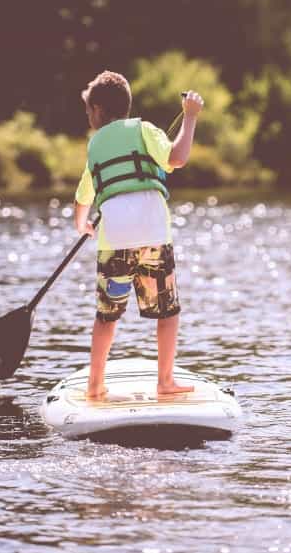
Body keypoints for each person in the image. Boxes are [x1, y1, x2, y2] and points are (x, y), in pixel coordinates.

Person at [73, 70, 203, 400]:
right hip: (154, 235)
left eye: (89, 110)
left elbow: (83, 197)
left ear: (99, 110)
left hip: (114, 239)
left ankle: (95, 385)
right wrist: (189, 119)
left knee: (107, 316)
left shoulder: (94, 145)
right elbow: (178, 157)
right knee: (167, 312)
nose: (88, 117)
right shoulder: (145, 130)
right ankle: (165, 381)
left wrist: (82, 225)